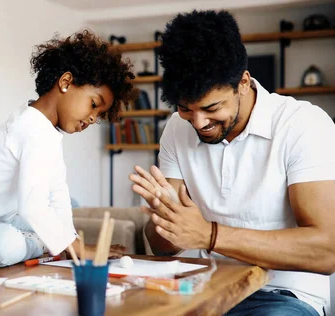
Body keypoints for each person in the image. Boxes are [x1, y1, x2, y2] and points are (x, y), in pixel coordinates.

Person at [130, 10, 335, 316]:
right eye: (186, 109)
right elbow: (162, 246)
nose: (199, 123)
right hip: (204, 287)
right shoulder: (176, 127)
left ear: (243, 82)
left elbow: (327, 249)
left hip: (283, 296)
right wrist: (165, 219)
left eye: (212, 107)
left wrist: (209, 235)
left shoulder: (302, 124)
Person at [0, 30, 134, 267]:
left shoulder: (48, 131)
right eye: (94, 104)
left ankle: (48, 245)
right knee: (7, 245)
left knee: (56, 221)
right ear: (65, 82)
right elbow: (32, 206)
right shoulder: (30, 127)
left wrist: (72, 242)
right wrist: (72, 247)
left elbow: (58, 194)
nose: (93, 118)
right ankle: (46, 246)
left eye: (99, 114)